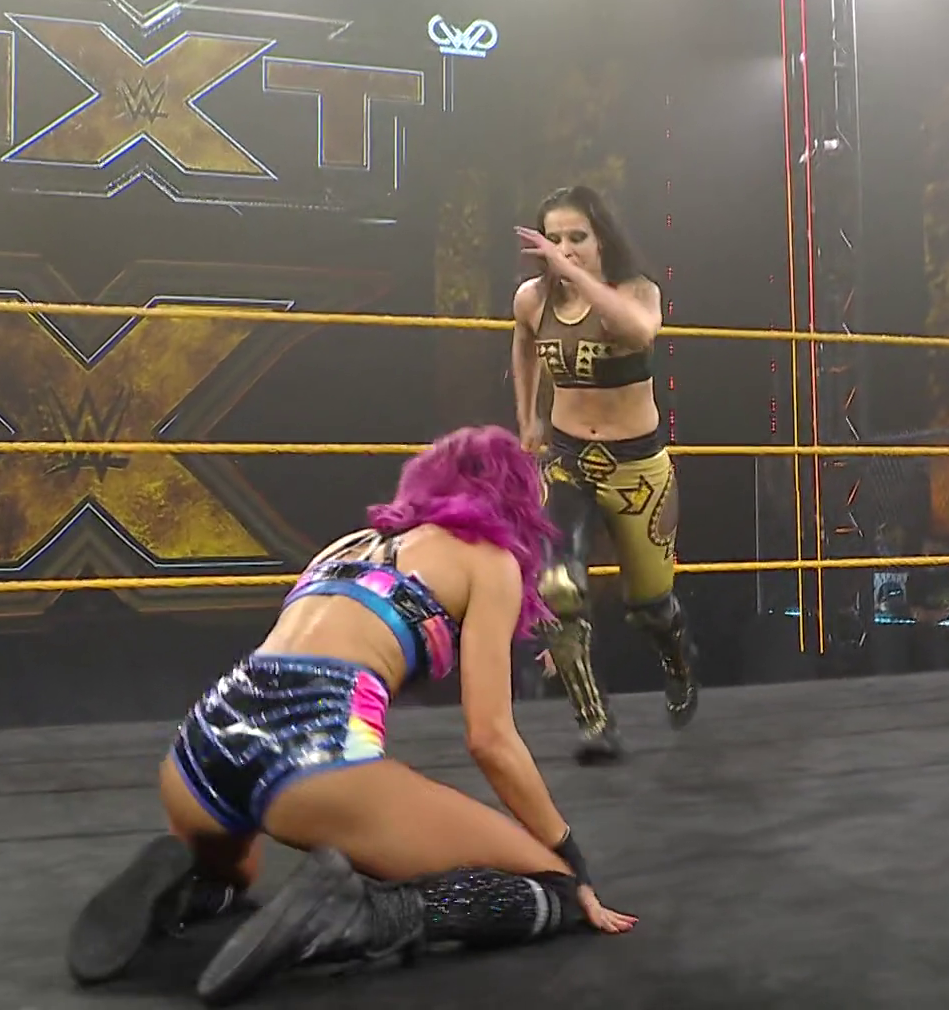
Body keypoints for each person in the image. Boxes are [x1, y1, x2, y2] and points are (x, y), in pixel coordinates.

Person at [64, 428, 636, 1004]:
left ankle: (197, 882)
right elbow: (490, 738)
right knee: (550, 891)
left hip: (200, 748)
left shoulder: (347, 544)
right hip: (311, 749)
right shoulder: (489, 561)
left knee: (240, 874)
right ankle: (361, 914)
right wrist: (568, 856)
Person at [511, 184, 698, 764]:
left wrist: (574, 274)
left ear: (601, 240)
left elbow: (638, 332)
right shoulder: (531, 300)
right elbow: (523, 345)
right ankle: (594, 722)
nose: (563, 249)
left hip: (636, 468)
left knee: (651, 606)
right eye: (554, 238)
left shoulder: (638, 291)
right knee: (557, 589)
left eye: (577, 237)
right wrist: (527, 418)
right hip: (568, 460)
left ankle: (677, 660)